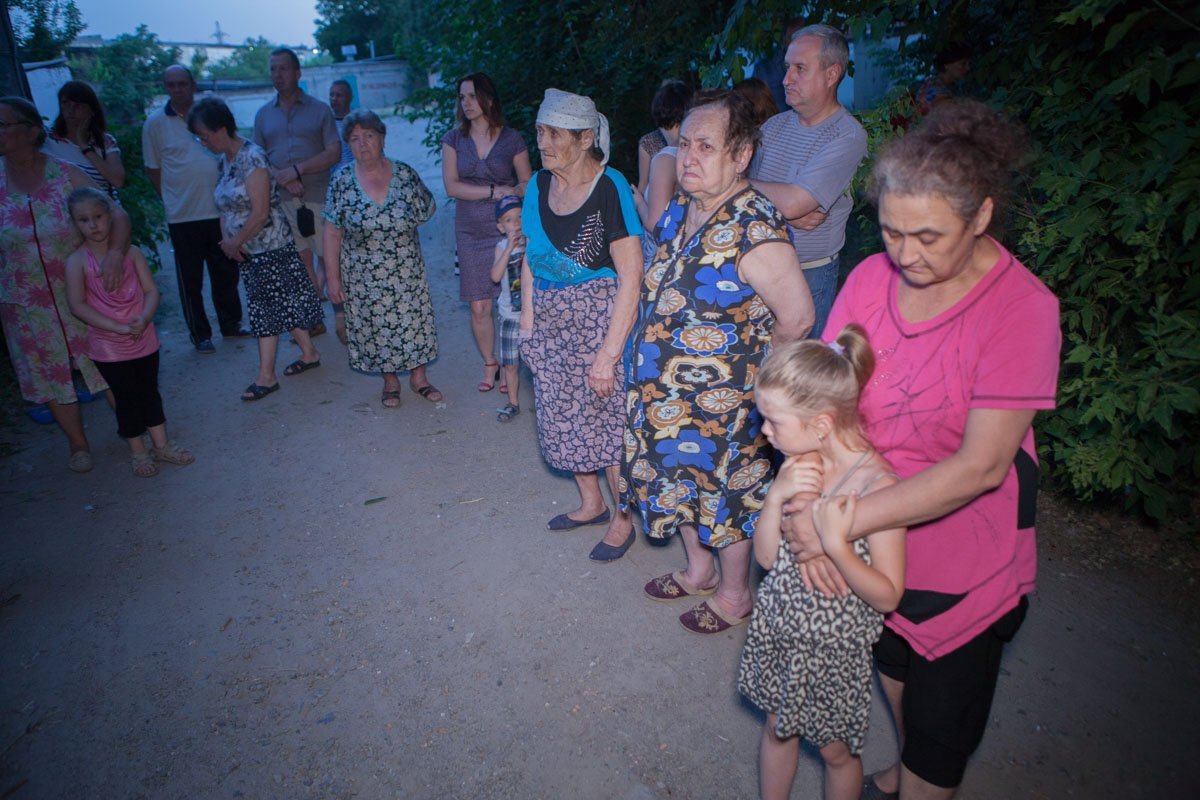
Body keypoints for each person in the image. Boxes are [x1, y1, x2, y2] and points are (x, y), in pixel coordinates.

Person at [781, 100, 1061, 800]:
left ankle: (922, 777)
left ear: (982, 217)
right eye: (892, 231)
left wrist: (834, 524)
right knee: (897, 672)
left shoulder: (1023, 309)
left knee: (941, 737)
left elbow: (980, 467)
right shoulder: (871, 278)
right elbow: (825, 402)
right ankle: (903, 770)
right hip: (873, 547)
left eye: (930, 237)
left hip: (961, 559)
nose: (907, 255)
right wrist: (806, 496)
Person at [621, 90, 816, 614]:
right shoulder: (686, 207)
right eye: (685, 143)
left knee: (727, 498)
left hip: (725, 407)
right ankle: (698, 570)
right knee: (680, 482)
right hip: (667, 397)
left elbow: (797, 318)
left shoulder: (754, 225)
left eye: (706, 146)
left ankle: (734, 594)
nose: (689, 157)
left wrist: (755, 382)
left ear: (741, 155)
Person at [737, 327, 905, 800]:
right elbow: (767, 558)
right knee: (776, 730)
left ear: (822, 424)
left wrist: (838, 545)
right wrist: (776, 496)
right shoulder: (798, 464)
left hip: (834, 652)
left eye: (772, 420)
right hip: (781, 629)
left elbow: (889, 593)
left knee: (836, 754)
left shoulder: (879, 490)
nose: (763, 430)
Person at [518, 88, 642, 560]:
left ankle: (622, 519)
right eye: (539, 132)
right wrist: (528, 324)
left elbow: (632, 276)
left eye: (552, 134)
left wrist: (609, 356)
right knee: (562, 414)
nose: (542, 142)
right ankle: (590, 502)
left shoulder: (610, 188)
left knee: (607, 427)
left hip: (598, 319)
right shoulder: (536, 186)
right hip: (549, 319)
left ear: (586, 136)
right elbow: (531, 257)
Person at [0, 96, 132, 472]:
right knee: (47, 372)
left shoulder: (64, 173)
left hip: (81, 292)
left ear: (30, 131)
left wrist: (114, 255)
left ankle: (136, 431)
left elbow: (116, 212)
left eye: (3, 124)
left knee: (107, 364)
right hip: (25, 304)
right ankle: (78, 446)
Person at [189, 97, 323, 402]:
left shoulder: (253, 157)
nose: (203, 142)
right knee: (283, 303)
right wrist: (228, 241)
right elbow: (224, 206)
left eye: (205, 136)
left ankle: (266, 376)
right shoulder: (225, 160)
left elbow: (260, 212)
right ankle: (310, 353)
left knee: (265, 311)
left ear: (221, 129)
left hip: (270, 247)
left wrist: (235, 242)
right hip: (247, 250)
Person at [63, 188, 194, 477]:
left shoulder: (131, 253)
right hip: (108, 345)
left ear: (110, 217)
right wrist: (117, 327)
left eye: (98, 216)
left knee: (149, 391)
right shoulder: (76, 262)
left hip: (144, 336)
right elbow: (77, 306)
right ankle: (138, 452)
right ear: (74, 223)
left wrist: (144, 318)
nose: (93, 225)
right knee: (125, 398)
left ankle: (162, 445)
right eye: (83, 220)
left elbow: (150, 290)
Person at [750, 24, 867, 339]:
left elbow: (793, 202)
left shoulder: (847, 134)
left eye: (799, 69)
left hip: (809, 274)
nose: (786, 79)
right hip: (756, 269)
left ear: (832, 75)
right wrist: (781, 207)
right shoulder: (773, 127)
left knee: (800, 379)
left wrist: (782, 203)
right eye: (788, 68)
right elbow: (746, 200)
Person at [323, 110, 442, 408]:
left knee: (414, 322)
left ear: (382, 138)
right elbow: (332, 233)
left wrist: (399, 232)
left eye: (369, 136)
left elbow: (428, 209)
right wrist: (333, 278)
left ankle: (419, 378)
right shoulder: (341, 182)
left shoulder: (404, 174)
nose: (362, 144)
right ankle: (390, 380)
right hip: (362, 271)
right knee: (375, 324)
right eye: (354, 139)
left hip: (405, 268)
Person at [143, 64, 249, 354]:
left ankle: (231, 324)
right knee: (190, 279)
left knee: (226, 272)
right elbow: (153, 170)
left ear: (193, 85)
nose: (177, 89)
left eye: (182, 83)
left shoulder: (210, 115)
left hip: (219, 211)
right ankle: (200, 334)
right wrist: (171, 198)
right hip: (183, 215)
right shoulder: (154, 124)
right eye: (171, 85)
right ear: (166, 87)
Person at [441, 72, 532, 392]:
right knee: (479, 304)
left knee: (514, 300)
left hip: (508, 230)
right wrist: (494, 190)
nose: (465, 103)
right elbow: (451, 187)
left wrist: (510, 198)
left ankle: (511, 365)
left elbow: (527, 183)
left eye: (471, 96)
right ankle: (490, 362)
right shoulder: (453, 139)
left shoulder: (512, 139)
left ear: (488, 100)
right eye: (461, 97)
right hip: (469, 231)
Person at [253, 47, 341, 338]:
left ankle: (343, 317)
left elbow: (333, 152)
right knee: (299, 262)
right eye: (273, 69)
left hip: (316, 196)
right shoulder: (263, 115)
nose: (278, 75)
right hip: (281, 200)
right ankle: (313, 317)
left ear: (297, 72)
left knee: (329, 258)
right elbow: (258, 159)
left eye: (284, 68)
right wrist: (283, 177)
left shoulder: (319, 110)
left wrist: (298, 170)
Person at [632, 82, 693, 268]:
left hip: (661, 260)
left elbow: (657, 225)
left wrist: (638, 201)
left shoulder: (666, 158)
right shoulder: (699, 154)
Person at [43, 80, 125, 198]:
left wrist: (85, 147)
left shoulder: (105, 142)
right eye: (65, 103)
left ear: (92, 110)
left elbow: (118, 180)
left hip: (101, 210)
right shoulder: (47, 139)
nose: (71, 110)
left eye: (78, 106)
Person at [490, 194, 525, 421]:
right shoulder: (501, 246)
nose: (517, 223)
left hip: (535, 314)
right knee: (510, 363)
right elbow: (494, 276)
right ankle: (513, 402)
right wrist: (508, 249)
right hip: (510, 315)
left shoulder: (534, 243)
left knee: (540, 362)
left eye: (520, 217)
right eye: (510, 220)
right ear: (501, 227)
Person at [635, 79, 691, 197]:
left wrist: (638, 202)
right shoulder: (649, 143)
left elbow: (657, 215)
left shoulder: (665, 157)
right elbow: (643, 185)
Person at [329, 79, 355, 174]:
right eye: (331, 95)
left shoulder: (360, 121)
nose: (334, 99)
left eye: (339, 95)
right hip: (335, 180)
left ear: (350, 98)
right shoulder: (326, 123)